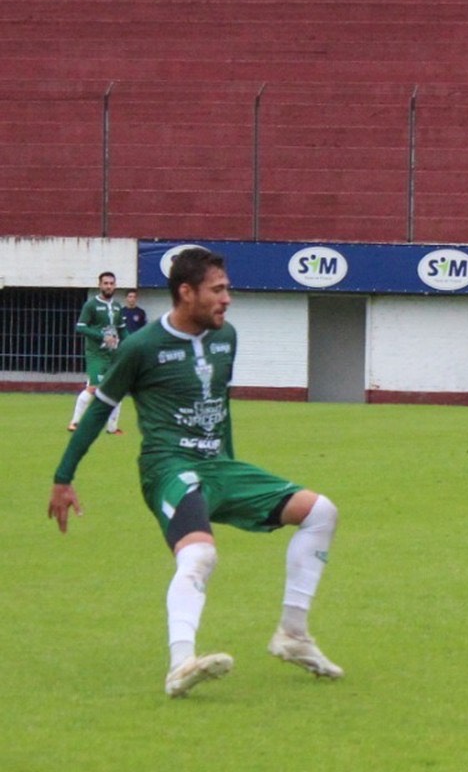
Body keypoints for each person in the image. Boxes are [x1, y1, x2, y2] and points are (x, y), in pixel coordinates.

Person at [47, 247, 344, 697]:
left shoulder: (228, 339)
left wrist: (228, 469)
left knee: (321, 512)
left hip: (218, 467)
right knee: (201, 555)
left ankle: (293, 635)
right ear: (186, 292)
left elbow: (220, 407)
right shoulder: (141, 346)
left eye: (227, 289)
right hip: (168, 467)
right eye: (217, 290)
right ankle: (180, 663)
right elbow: (97, 412)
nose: (227, 298)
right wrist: (63, 478)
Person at [68, 271, 126, 435]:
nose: (108, 286)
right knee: (93, 388)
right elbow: (80, 327)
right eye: (105, 283)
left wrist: (131, 344)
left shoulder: (116, 306)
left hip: (112, 355)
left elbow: (122, 330)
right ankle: (75, 422)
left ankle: (112, 427)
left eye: (111, 283)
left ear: (115, 285)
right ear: (99, 285)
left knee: (117, 390)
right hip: (96, 354)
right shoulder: (91, 305)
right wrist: (102, 336)